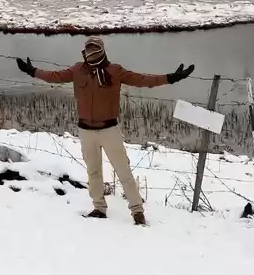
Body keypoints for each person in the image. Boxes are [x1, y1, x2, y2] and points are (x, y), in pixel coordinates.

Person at [15, 36, 195, 225]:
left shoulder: (114, 71)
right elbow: (55, 76)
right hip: (86, 130)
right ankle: (99, 208)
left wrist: (171, 78)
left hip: (109, 130)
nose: (91, 52)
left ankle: (137, 211)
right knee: (93, 172)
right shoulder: (77, 70)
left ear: (101, 50)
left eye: (95, 48)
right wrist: (31, 71)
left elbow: (143, 80)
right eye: (88, 48)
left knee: (123, 172)